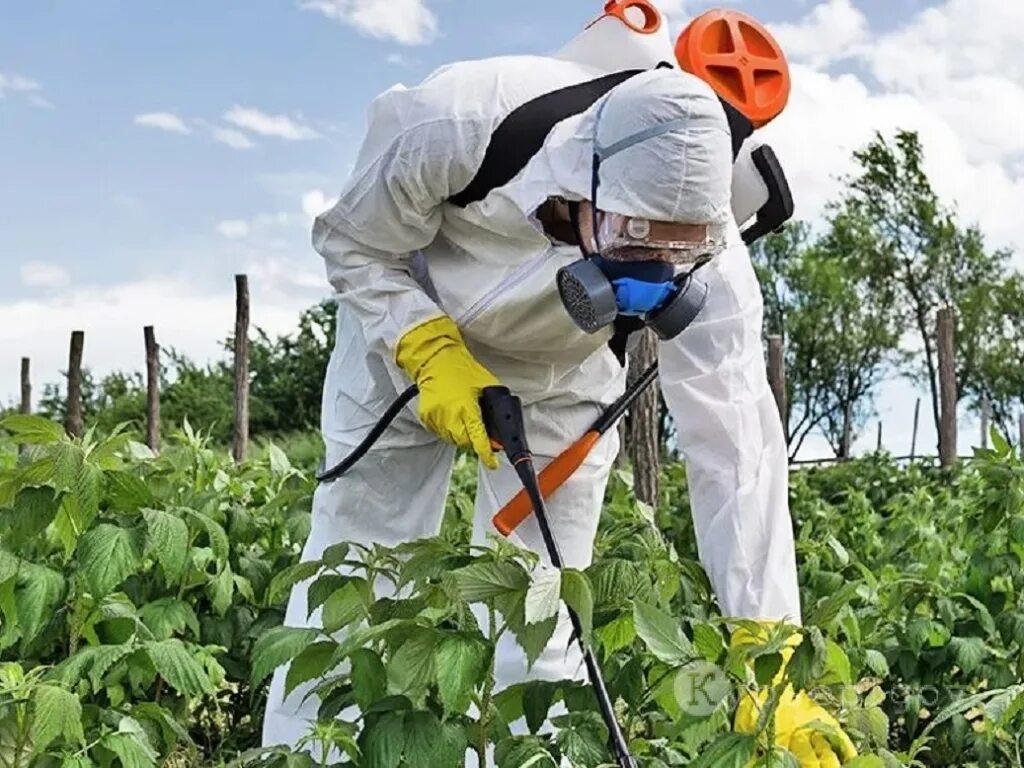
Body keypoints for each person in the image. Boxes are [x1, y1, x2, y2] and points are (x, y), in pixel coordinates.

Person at [262, 48, 856, 767]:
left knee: (537, 605)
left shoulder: (720, 267)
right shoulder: (458, 122)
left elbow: (738, 454)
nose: (649, 276)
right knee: (358, 562)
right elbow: (354, 241)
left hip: (561, 373)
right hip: (403, 330)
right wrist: (423, 346)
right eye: (633, 242)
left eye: (677, 257)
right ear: (585, 181)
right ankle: (301, 755)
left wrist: (771, 651)